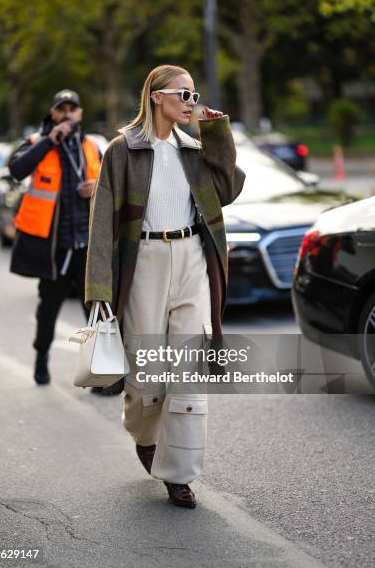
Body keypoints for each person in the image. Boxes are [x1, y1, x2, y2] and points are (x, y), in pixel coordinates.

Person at [85, 65, 246, 508]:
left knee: (187, 371)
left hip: (193, 257)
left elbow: (229, 188)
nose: (191, 102)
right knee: (147, 374)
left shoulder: (195, 149)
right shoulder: (123, 150)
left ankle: (179, 474)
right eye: (184, 94)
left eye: (195, 95)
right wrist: (99, 290)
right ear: (157, 96)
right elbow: (102, 225)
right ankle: (143, 432)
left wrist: (215, 132)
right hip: (145, 264)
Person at [9, 89, 122, 394]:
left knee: (95, 310)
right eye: (62, 109)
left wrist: (95, 188)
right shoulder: (38, 143)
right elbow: (17, 170)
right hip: (55, 248)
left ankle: (98, 373)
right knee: (49, 307)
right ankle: (42, 355)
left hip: (87, 244)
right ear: (54, 113)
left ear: (80, 114)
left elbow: (113, 187)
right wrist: (50, 139)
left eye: (73, 108)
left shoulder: (92, 147)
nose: (68, 113)